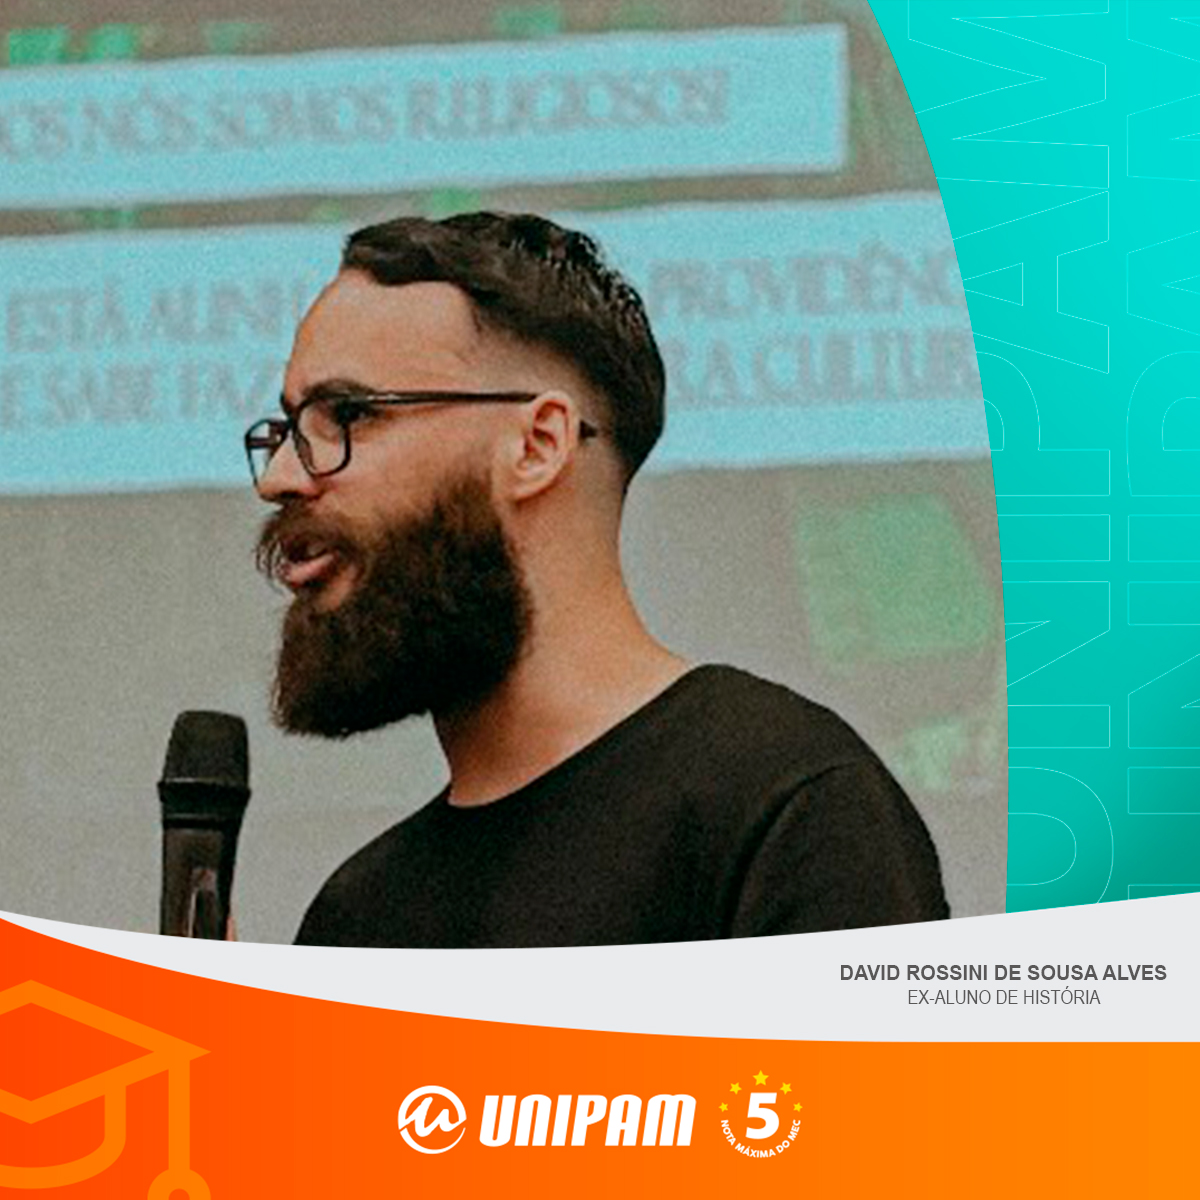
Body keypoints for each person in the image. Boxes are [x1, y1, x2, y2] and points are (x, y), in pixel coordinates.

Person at [245, 211, 948, 947]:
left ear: (538, 445)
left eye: (349, 414)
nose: (280, 477)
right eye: (288, 429)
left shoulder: (786, 809)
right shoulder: (359, 916)